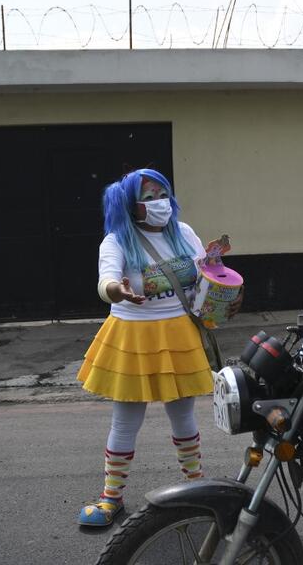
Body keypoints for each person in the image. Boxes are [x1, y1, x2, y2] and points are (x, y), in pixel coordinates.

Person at [76, 167, 242, 527]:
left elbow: (205, 275)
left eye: (162, 194)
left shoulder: (184, 233)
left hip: (179, 335)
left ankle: (196, 487)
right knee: (126, 421)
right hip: (133, 336)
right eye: (148, 197)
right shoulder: (117, 240)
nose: (158, 203)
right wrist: (116, 290)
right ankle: (112, 497)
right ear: (130, 205)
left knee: (183, 415)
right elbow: (106, 280)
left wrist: (222, 290)